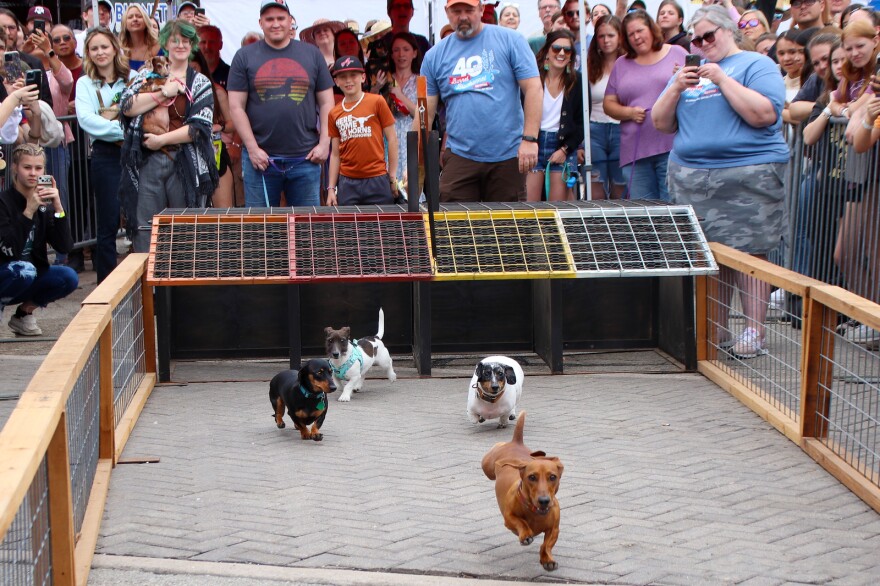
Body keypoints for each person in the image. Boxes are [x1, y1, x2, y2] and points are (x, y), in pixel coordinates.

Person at [652, 5, 789, 358]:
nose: (701, 43)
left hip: (748, 172)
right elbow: (661, 122)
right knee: (710, 255)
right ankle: (713, 333)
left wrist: (724, 80)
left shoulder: (756, 64)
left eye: (708, 35)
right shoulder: (689, 69)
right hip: (693, 177)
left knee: (750, 253)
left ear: (730, 30)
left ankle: (754, 332)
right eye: (696, 38)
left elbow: (764, 115)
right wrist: (675, 88)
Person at [420, 0, 542, 203]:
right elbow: (424, 111)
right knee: (453, 228)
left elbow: (534, 88)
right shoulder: (433, 56)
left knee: (507, 229)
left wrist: (530, 139)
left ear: (481, 9)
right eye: (456, 11)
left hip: (507, 154)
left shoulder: (511, 40)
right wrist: (416, 164)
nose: (463, 16)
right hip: (460, 154)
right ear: (446, 12)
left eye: (469, 10)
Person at [119, 19, 218, 252]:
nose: (180, 45)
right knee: (146, 228)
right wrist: (163, 93)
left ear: (193, 44)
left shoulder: (200, 82)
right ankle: (149, 286)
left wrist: (161, 140)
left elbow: (199, 127)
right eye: (175, 40)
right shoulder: (145, 74)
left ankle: (184, 286)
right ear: (165, 43)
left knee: (185, 229)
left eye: (186, 40)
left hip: (185, 161)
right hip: (146, 160)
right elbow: (127, 106)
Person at [228, 0, 334, 207]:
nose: (275, 24)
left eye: (280, 18)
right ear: (260, 23)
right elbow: (236, 107)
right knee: (262, 232)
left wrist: (324, 144)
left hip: (306, 159)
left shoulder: (312, 54)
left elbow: (327, 103)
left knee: (307, 231)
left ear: (290, 21)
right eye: (269, 19)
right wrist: (252, 149)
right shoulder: (244, 57)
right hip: (260, 161)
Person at [604, 9, 687, 200]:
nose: (636, 37)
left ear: (651, 29)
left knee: (673, 211)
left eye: (639, 31)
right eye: (630, 34)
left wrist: (681, 77)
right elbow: (609, 103)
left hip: (671, 148)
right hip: (634, 152)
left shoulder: (677, 53)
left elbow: (697, 90)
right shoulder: (621, 64)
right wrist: (629, 112)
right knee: (644, 217)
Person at [74, 27, 133, 283]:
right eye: (94, 48)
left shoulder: (132, 77)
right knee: (108, 224)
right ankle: (106, 288)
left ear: (114, 48)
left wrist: (128, 133)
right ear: (88, 52)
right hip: (105, 156)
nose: (100, 52)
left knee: (140, 220)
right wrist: (122, 130)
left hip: (135, 153)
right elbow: (87, 120)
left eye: (104, 47)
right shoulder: (85, 83)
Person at [0, 143, 77, 336]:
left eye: (38, 168)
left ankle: (23, 315)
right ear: (15, 168)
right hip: (5, 272)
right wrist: (28, 211)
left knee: (68, 277)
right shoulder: (3, 202)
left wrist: (58, 208)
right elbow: (8, 249)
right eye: (27, 167)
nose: (33, 173)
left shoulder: (44, 205)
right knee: (23, 270)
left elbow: (64, 246)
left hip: (30, 275)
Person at [326, 56, 398, 206]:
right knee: (350, 228)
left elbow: (392, 139)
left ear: (363, 77)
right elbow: (334, 154)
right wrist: (331, 188)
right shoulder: (334, 113)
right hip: (347, 182)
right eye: (343, 77)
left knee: (382, 226)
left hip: (377, 178)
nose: (348, 80)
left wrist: (392, 177)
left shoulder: (377, 101)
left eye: (353, 75)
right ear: (336, 81)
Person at [526, 30, 583, 201]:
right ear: (547, 51)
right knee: (529, 206)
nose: (561, 53)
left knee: (557, 207)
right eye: (556, 48)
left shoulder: (577, 81)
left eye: (567, 50)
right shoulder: (533, 78)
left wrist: (565, 150)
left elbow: (581, 122)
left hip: (562, 145)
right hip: (534, 142)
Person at [588, 14, 626, 199]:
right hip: (594, 130)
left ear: (620, 37)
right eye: (601, 36)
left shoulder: (630, 64)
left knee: (621, 186)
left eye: (610, 35)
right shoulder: (589, 66)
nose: (605, 40)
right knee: (596, 186)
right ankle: (598, 228)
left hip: (623, 129)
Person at [119, 4, 161, 71]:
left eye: (139, 16)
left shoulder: (159, 47)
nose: (135, 19)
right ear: (125, 24)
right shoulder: (120, 50)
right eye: (130, 17)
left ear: (146, 21)